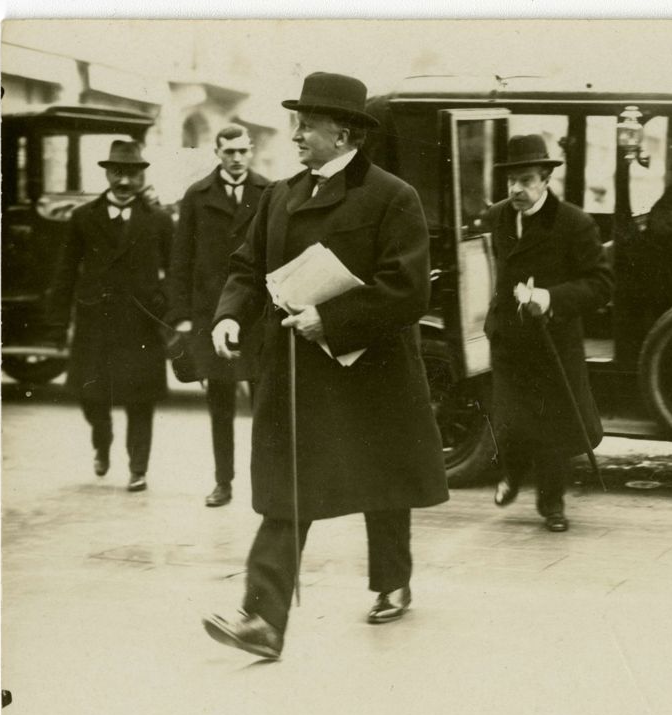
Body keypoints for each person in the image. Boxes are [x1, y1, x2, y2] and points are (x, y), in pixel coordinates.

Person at [202, 72, 449, 660]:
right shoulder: (279, 195)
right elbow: (246, 266)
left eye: (306, 125)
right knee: (286, 491)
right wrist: (229, 314)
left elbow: (408, 289)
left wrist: (331, 320)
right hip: (295, 372)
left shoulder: (392, 196)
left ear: (343, 134)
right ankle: (263, 620)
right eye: (297, 124)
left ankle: (392, 582)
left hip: (371, 372)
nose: (295, 135)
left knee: (383, 482)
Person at [485, 134, 613, 533]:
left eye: (526, 180)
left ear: (545, 179)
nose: (516, 190)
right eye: (511, 181)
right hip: (508, 339)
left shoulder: (574, 223)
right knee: (509, 418)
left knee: (553, 427)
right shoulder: (496, 218)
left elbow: (601, 284)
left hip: (551, 342)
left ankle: (552, 504)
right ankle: (512, 473)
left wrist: (550, 297)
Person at [47, 140, 172, 492]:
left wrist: (164, 305)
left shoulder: (159, 220)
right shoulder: (83, 217)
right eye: (118, 172)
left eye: (132, 173)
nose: (124, 181)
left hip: (140, 323)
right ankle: (102, 442)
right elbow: (65, 271)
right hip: (95, 322)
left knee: (140, 400)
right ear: (106, 174)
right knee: (91, 397)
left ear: (141, 175)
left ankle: (138, 468)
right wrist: (57, 324)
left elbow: (176, 270)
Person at [168, 124, 270, 507]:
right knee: (220, 406)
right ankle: (223, 482)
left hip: (256, 315)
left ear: (251, 150)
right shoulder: (197, 196)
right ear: (217, 153)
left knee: (264, 405)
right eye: (229, 152)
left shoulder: (269, 192)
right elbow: (181, 260)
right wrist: (181, 317)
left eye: (242, 151)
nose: (237, 158)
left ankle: (266, 483)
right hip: (211, 316)